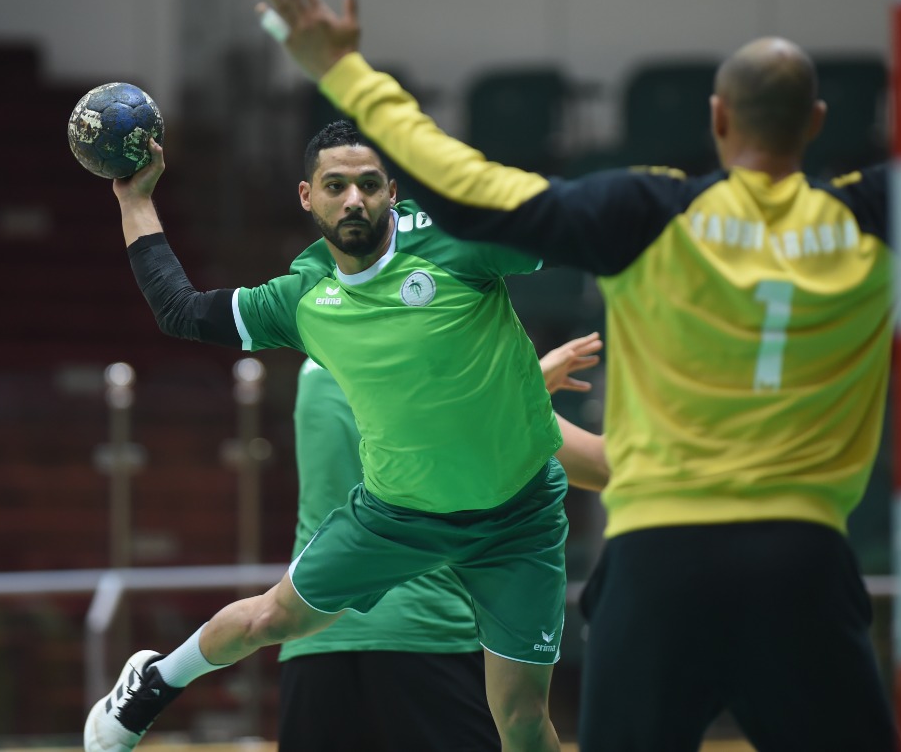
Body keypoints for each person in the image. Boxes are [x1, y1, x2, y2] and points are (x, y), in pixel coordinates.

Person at [252, 0, 901, 751]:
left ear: (716, 119)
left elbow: (468, 187)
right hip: (804, 553)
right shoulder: (877, 212)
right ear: (816, 120)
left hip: (660, 558)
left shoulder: (646, 209)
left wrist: (346, 73)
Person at [84, 120, 610, 752]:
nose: (353, 199)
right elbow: (180, 310)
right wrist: (136, 200)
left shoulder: (454, 242)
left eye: (368, 184)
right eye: (336, 185)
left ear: (392, 190)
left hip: (519, 519)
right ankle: (154, 680)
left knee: (522, 721)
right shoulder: (303, 296)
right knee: (271, 618)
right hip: (396, 518)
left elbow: (567, 228)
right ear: (308, 197)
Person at [280, 332, 603, 752]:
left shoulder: (319, 354)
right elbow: (601, 467)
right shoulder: (457, 364)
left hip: (312, 645)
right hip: (429, 640)